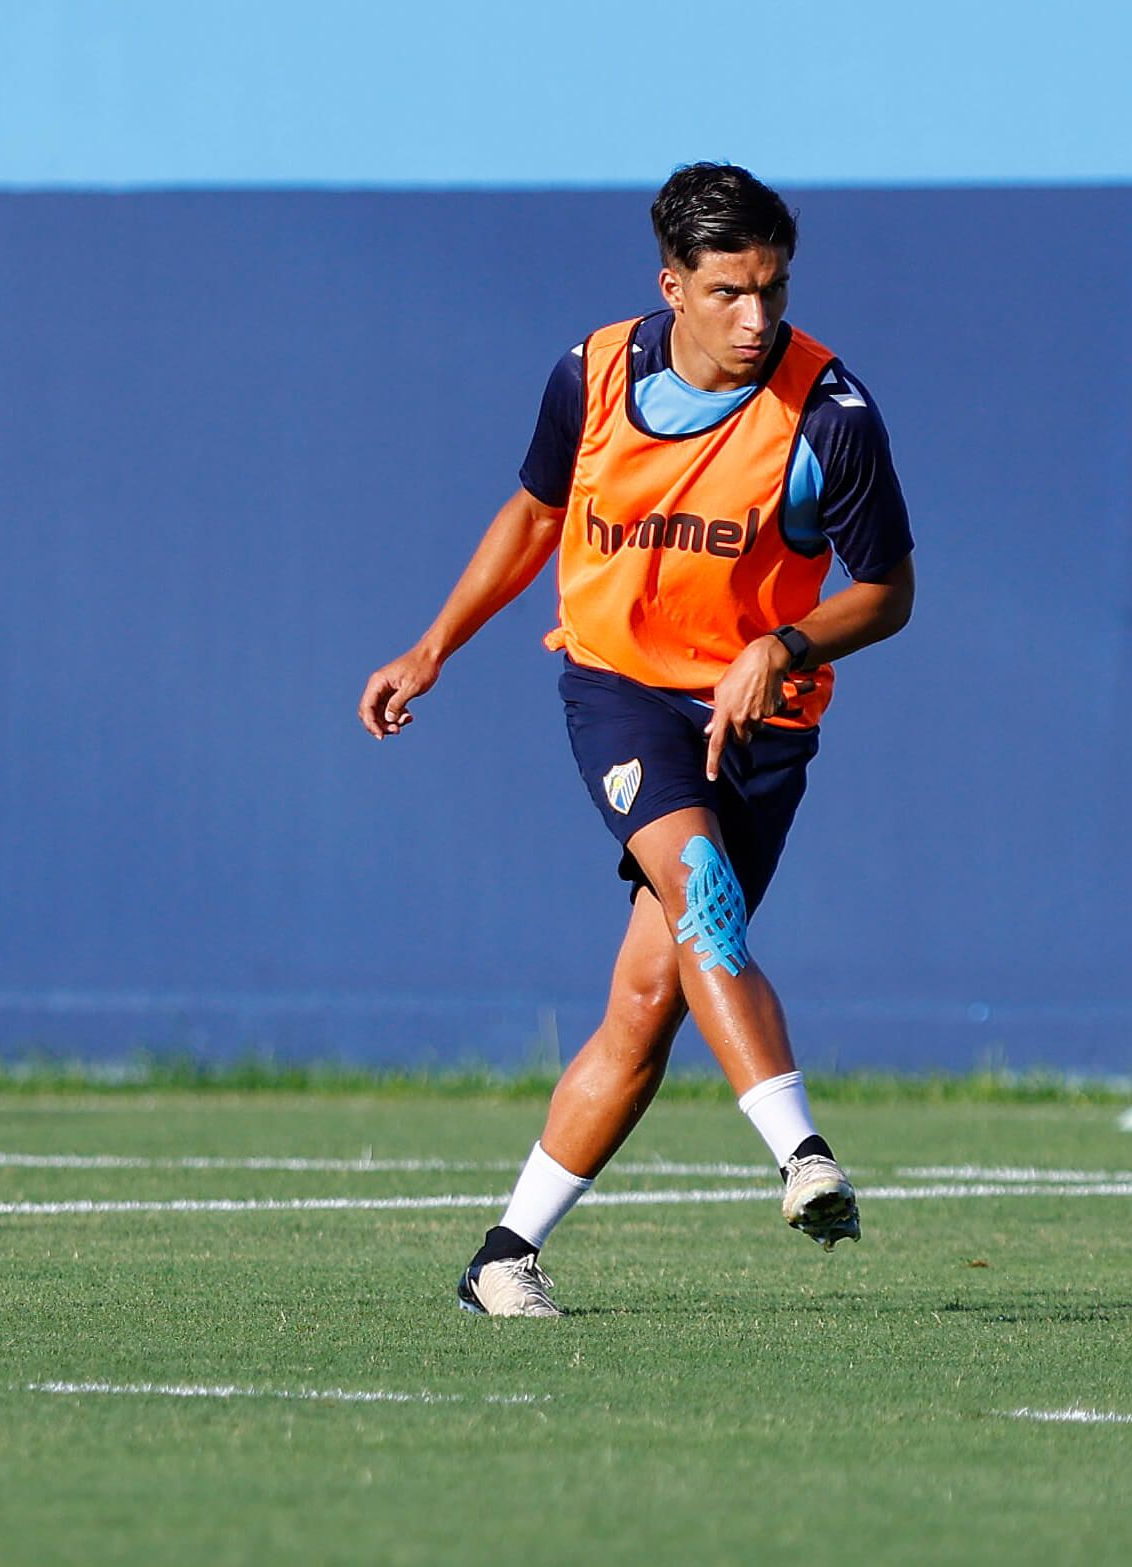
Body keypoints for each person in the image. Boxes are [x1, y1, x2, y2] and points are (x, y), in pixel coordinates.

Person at [359, 163, 918, 1317]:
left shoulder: (830, 413)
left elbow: (891, 591)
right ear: (673, 285)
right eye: (728, 291)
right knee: (699, 885)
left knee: (648, 997)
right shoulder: (594, 374)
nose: (757, 317)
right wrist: (434, 646)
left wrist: (790, 645)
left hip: (759, 715)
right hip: (619, 691)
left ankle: (503, 1255)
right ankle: (802, 1152)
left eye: (772, 288)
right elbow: (534, 516)